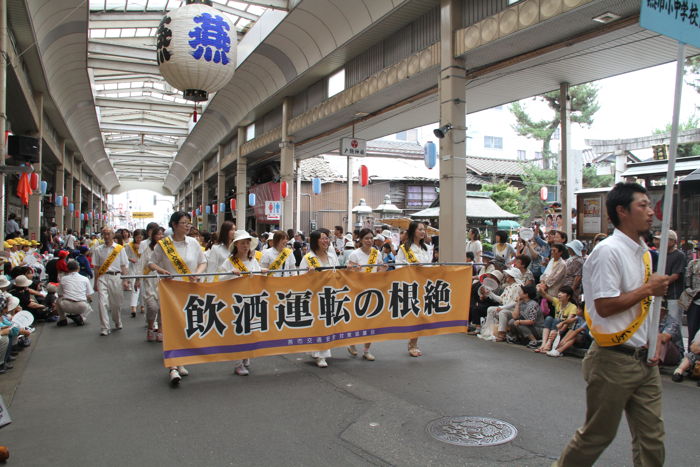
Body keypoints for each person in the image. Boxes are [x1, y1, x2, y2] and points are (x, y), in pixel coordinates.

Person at [556, 182, 672, 467]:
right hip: (612, 360)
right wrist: (648, 289)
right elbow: (605, 307)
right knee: (597, 435)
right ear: (622, 211)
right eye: (642, 206)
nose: (650, 212)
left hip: (644, 360)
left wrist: (653, 337)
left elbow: (644, 309)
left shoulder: (643, 252)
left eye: (649, 205)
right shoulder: (608, 251)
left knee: (652, 439)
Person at [150, 212, 207, 385]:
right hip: (171, 290)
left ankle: (181, 360)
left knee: (185, 325)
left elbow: (202, 262)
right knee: (171, 326)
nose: (187, 226)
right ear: (174, 225)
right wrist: (162, 271)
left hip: (189, 290)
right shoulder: (163, 245)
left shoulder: (194, 243)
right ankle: (173, 367)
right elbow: (151, 263)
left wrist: (196, 274)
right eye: (184, 223)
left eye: (188, 223)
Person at [218, 230, 263, 376]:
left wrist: (262, 271)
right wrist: (231, 274)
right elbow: (219, 280)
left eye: (247, 242)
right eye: (242, 243)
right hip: (235, 302)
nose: (245, 245)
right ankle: (238, 363)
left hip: (251, 299)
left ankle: (245, 356)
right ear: (236, 244)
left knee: (250, 330)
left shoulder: (252, 260)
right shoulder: (229, 262)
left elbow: (256, 277)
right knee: (239, 331)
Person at [299, 230, 339, 368]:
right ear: (315, 241)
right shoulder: (308, 258)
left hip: (330, 293)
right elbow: (300, 277)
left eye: (327, 238)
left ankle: (321, 351)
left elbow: (338, 273)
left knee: (327, 322)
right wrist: (308, 274)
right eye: (323, 239)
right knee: (319, 323)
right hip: (315, 295)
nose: (326, 241)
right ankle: (320, 354)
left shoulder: (332, 257)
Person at [346, 228, 387, 361]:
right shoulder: (354, 254)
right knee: (357, 320)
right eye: (366, 238)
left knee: (371, 321)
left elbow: (379, 271)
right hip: (358, 291)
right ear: (361, 240)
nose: (369, 241)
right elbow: (348, 274)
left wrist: (383, 269)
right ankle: (352, 343)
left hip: (373, 291)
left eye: (371, 238)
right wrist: (354, 271)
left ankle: (366, 350)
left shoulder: (377, 253)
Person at [395, 221, 432, 357]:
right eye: (420, 229)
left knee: (420, 314)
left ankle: (414, 342)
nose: (423, 232)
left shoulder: (427, 248)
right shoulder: (404, 248)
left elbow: (430, 266)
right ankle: (412, 343)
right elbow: (398, 266)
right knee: (413, 314)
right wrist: (410, 267)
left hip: (424, 284)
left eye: (424, 229)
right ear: (413, 231)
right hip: (410, 284)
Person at [92, 226, 130, 336]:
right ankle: (104, 327)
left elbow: (124, 266)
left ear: (113, 235)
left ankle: (117, 321)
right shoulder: (98, 249)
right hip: (103, 277)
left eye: (109, 234)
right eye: (104, 234)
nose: (107, 236)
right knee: (102, 303)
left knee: (116, 304)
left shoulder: (119, 249)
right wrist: (95, 282)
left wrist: (125, 280)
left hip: (116, 277)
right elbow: (96, 268)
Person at [653, 230, 687, 325]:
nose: (661, 242)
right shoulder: (660, 255)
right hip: (661, 295)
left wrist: (659, 283)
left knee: (674, 324)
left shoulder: (679, 255)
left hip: (674, 296)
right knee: (660, 324)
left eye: (665, 240)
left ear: (672, 241)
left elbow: (675, 275)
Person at [534, 285, 577, 353]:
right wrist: (540, 289)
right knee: (549, 318)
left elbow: (568, 322)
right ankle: (543, 344)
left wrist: (559, 331)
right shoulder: (558, 302)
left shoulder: (573, 307)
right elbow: (545, 295)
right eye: (559, 292)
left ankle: (548, 344)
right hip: (554, 327)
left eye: (562, 293)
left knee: (557, 320)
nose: (559, 294)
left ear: (568, 296)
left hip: (563, 330)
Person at [142, 226, 164, 342]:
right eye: (158, 234)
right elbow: (141, 265)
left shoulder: (167, 249)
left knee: (162, 306)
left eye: (162, 234)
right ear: (153, 236)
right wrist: (136, 280)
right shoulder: (147, 250)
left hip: (163, 281)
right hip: (150, 280)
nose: (160, 236)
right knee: (152, 306)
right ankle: (150, 327)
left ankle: (160, 330)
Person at [56, 260, 93, 327]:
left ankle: (62, 318)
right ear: (78, 268)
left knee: (58, 300)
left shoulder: (63, 279)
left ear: (67, 269)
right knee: (89, 306)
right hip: (81, 306)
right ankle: (82, 318)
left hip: (66, 305)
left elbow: (59, 294)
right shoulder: (85, 278)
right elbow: (89, 295)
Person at [125, 229, 146, 318]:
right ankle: (133, 307)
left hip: (143, 268)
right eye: (137, 237)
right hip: (133, 268)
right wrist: (130, 259)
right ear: (134, 237)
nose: (139, 239)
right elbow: (125, 256)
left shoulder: (145, 245)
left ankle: (142, 305)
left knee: (143, 288)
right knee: (135, 287)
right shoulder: (129, 246)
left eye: (141, 237)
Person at [683, 245, 700, 352]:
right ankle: (690, 358)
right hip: (694, 301)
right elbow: (687, 283)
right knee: (692, 330)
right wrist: (694, 294)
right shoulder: (692, 264)